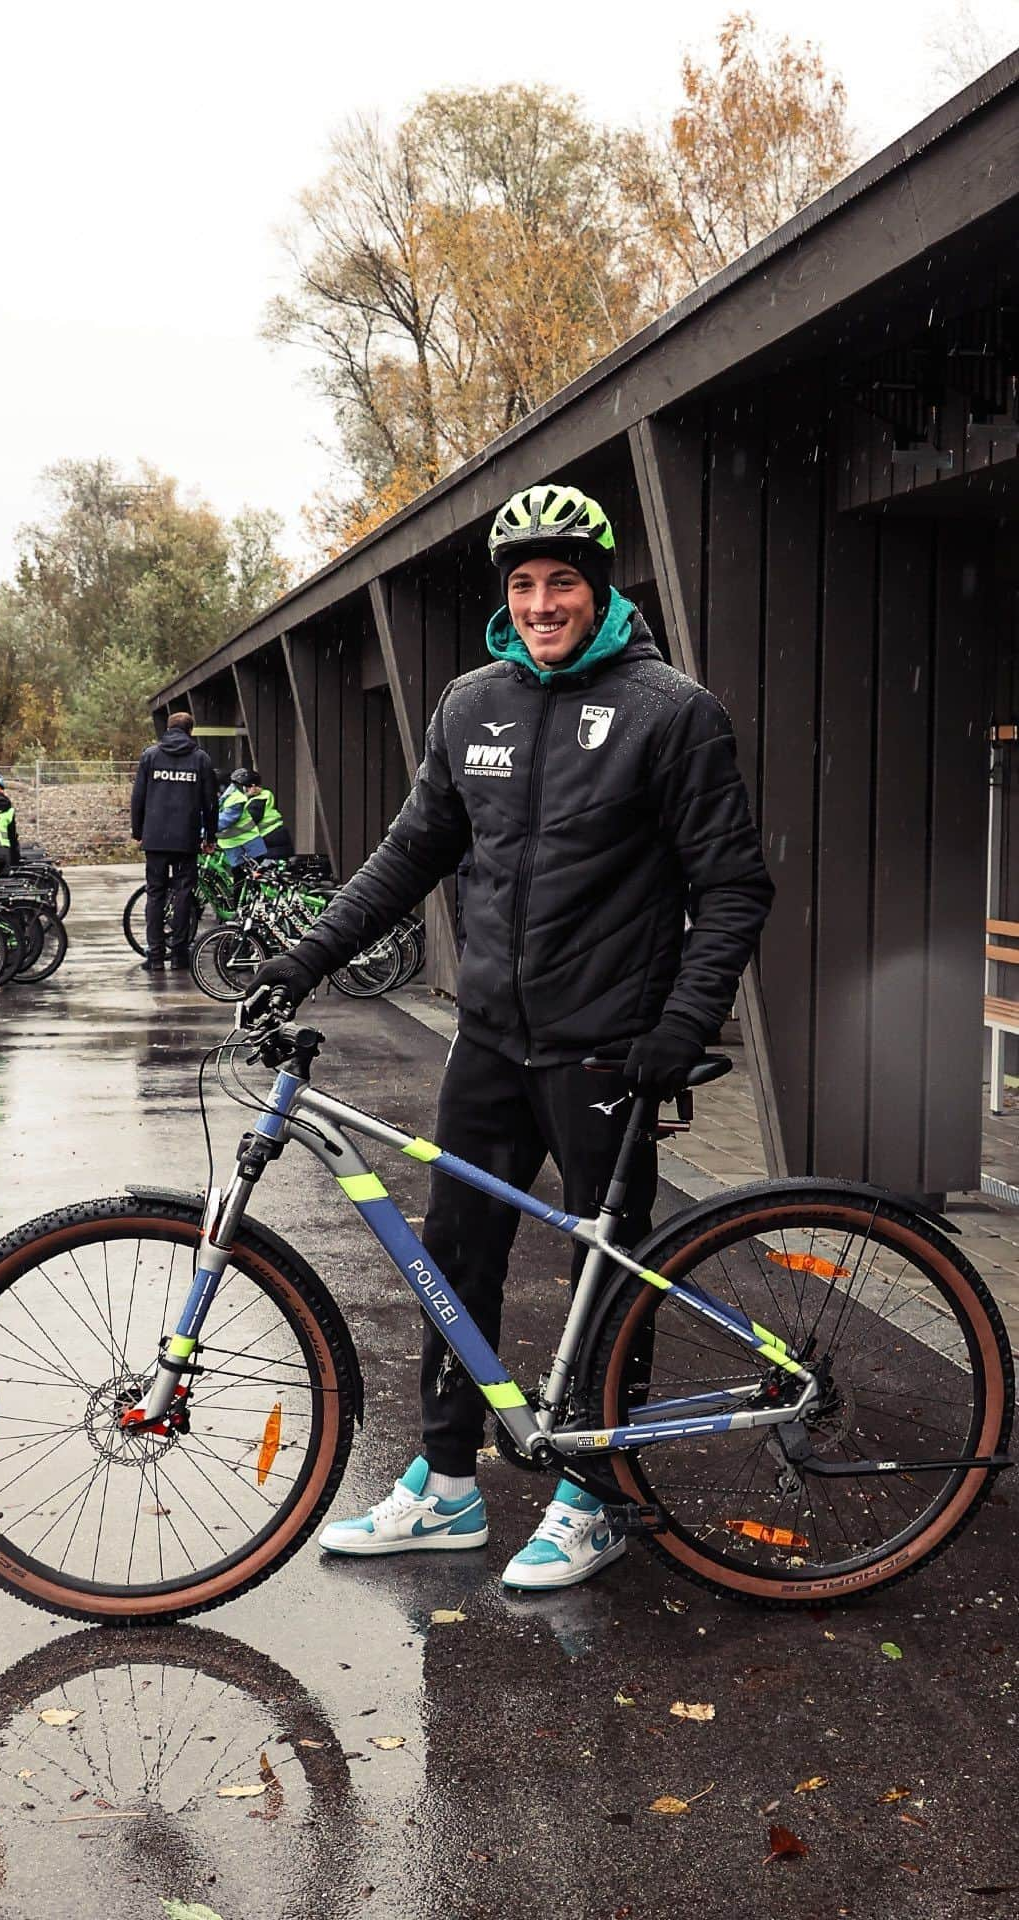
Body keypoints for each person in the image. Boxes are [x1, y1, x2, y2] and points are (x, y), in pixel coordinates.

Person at [247, 481, 775, 1590]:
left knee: (608, 1269)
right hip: (489, 1041)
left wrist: (681, 1023)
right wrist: (306, 957)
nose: (542, 603)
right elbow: (408, 853)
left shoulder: (670, 712)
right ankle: (444, 1484)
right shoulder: (468, 705)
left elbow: (731, 886)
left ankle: (595, 1496)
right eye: (525, 585)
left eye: (563, 583)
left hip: (607, 1049)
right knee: (457, 1259)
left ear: (600, 588)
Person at [130, 711, 218, 972]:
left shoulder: (151, 756)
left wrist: (138, 830)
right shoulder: (200, 759)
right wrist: (209, 836)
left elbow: (138, 796)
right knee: (183, 893)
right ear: (190, 731)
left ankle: (155, 956)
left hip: (155, 838)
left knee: (155, 894)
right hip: (185, 838)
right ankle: (179, 954)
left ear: (168, 729)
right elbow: (210, 802)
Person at [215, 768, 269, 884]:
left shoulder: (238, 799)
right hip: (234, 845)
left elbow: (224, 821)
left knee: (254, 878)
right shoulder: (224, 798)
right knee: (240, 878)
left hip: (248, 843)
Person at [243, 772, 294, 859]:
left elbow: (249, 822)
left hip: (271, 835)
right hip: (275, 834)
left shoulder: (258, 801)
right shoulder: (263, 795)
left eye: (245, 787)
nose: (243, 790)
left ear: (252, 786)